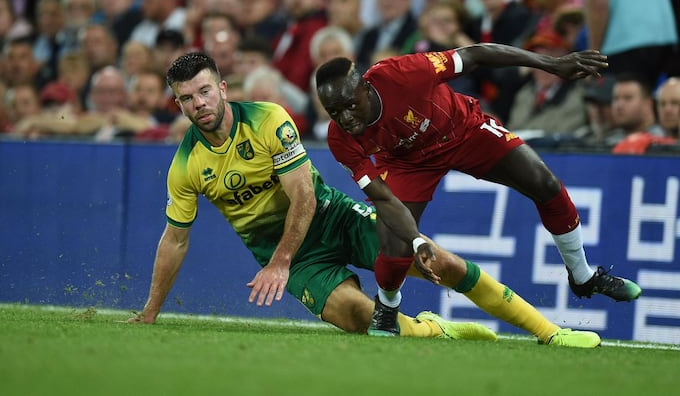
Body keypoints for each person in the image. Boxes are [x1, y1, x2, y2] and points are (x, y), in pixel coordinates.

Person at [128, 52, 601, 348]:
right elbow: (175, 240)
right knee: (359, 317)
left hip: (330, 218)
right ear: (178, 104)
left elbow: (305, 196)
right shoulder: (186, 166)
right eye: (186, 98)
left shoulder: (270, 119)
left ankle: (550, 332)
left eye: (204, 91)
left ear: (222, 88)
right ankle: (436, 330)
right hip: (296, 259)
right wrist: (150, 312)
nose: (199, 104)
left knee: (443, 264)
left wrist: (280, 262)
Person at [315, 43, 642, 338]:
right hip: (407, 162)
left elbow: (475, 55)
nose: (345, 117)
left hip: (463, 130)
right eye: (334, 112)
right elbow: (384, 198)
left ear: (365, 88)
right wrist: (416, 240)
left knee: (546, 185)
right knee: (391, 240)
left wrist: (550, 64)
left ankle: (583, 276)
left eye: (349, 105)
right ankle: (386, 309)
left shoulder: (405, 73)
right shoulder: (340, 139)